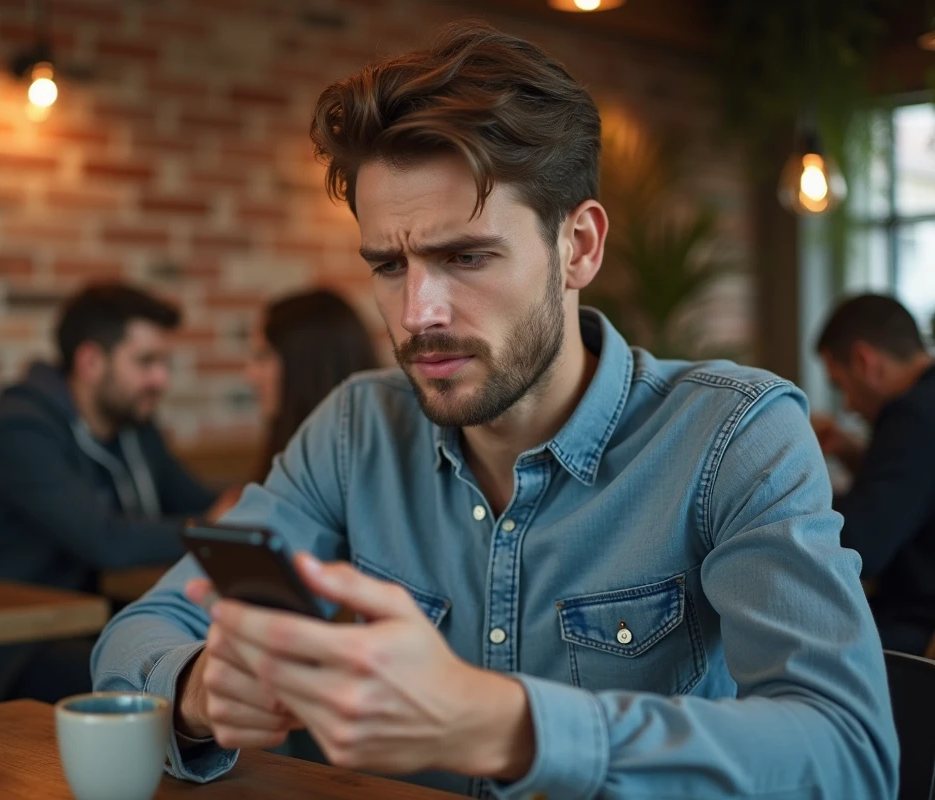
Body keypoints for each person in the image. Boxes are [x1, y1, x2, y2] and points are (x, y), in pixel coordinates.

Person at [92, 23, 897, 799]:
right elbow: (141, 633)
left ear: (578, 246)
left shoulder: (733, 436)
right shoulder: (354, 431)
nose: (417, 313)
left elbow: (849, 753)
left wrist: (507, 727)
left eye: (465, 256)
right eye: (387, 264)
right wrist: (201, 691)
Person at [0, 282, 223, 710]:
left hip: (93, 624)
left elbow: (193, 500)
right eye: (146, 362)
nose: (162, 379)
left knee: (221, 662)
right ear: (90, 361)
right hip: (4, 650)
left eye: (164, 362)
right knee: (196, 680)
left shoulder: (133, 428)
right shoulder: (21, 429)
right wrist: (213, 528)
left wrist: (243, 508)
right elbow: (104, 539)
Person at [812, 294, 935, 656]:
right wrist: (854, 454)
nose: (847, 404)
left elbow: (862, 545)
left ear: (865, 362)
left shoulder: (912, 414)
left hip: (918, 631)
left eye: (840, 385)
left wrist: (792, 485)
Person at [243, 288, 379, 481]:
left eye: (262, 357)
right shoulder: (294, 456)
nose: (250, 374)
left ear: (306, 365)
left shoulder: (343, 471)